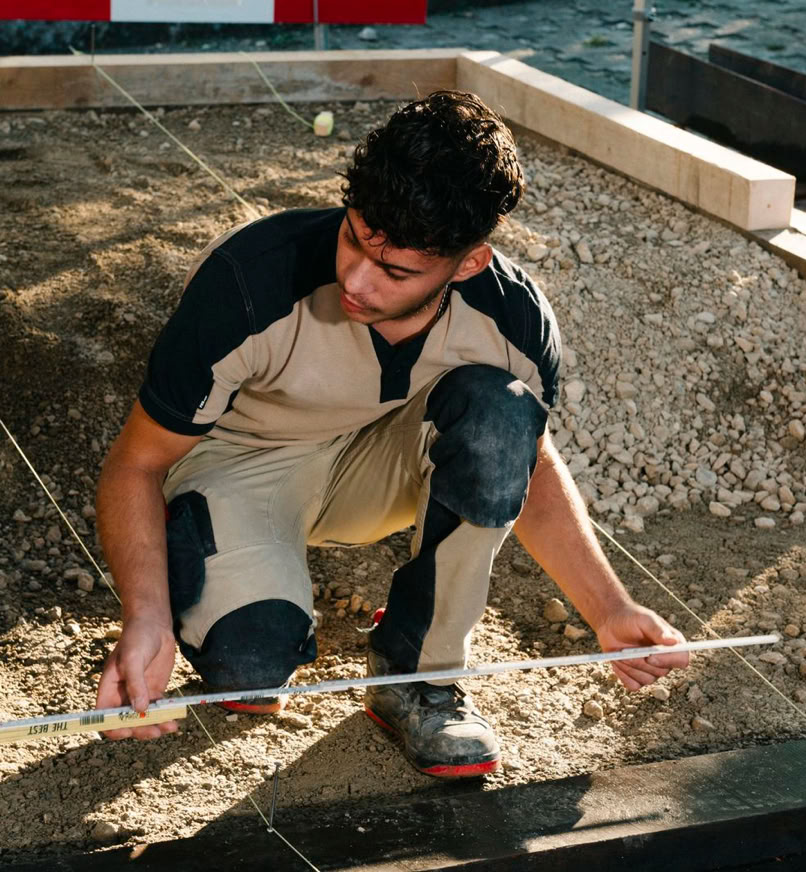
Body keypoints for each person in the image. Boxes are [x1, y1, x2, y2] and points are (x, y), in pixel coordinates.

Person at [95, 90, 688, 777]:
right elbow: (133, 466)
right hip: (240, 464)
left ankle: (416, 674)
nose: (356, 279)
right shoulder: (247, 282)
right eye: (354, 238)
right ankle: (213, 572)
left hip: (378, 470)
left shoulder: (513, 322)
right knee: (249, 666)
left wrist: (609, 610)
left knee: (502, 413)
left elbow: (529, 467)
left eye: (397, 271)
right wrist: (145, 616)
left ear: (468, 263)